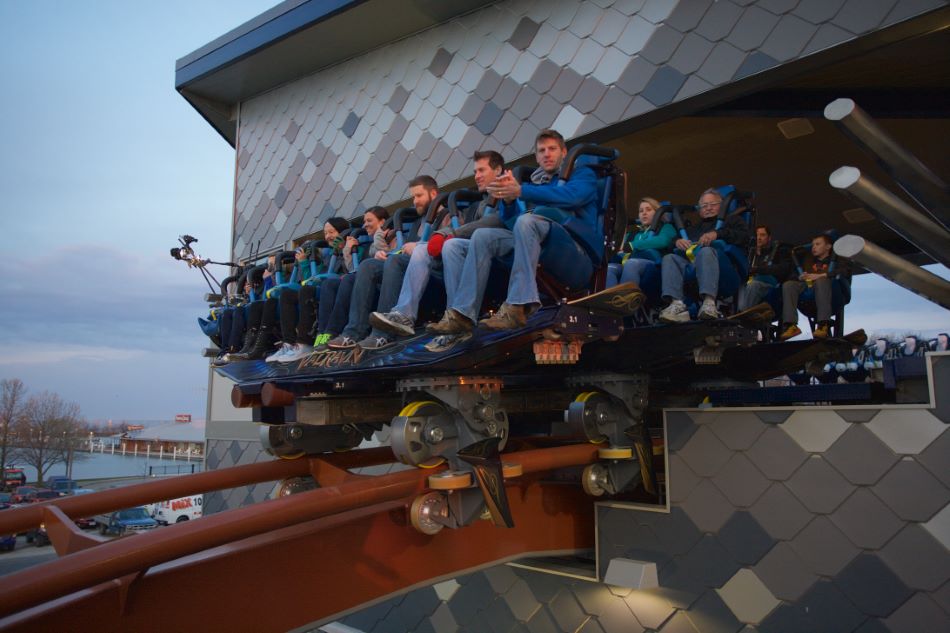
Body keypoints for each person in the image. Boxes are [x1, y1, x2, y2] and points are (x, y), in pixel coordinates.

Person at [426, 129, 600, 339]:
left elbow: (572, 197)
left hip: (577, 251)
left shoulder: (581, 173)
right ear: (536, 157)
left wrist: (520, 191)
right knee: (478, 237)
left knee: (527, 221)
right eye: (541, 150)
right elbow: (514, 223)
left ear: (564, 151)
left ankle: (517, 304)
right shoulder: (535, 183)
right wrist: (508, 201)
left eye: (552, 149)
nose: (546, 154)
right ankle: (462, 314)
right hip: (538, 238)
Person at [369, 151, 508, 345]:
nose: (477, 176)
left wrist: (449, 235)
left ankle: (455, 318)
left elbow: (497, 220)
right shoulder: (480, 202)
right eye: (475, 171)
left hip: (499, 247)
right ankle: (404, 314)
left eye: (481, 170)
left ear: (498, 169)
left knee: (450, 244)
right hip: (471, 247)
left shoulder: (509, 191)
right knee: (422, 249)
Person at [323, 176, 439, 350]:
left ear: (434, 193)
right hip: (411, 266)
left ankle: (382, 334)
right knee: (368, 265)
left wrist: (414, 247)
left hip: (434, 269)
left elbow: (452, 243)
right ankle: (354, 332)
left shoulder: (447, 214)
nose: (415, 201)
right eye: (413, 197)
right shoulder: (418, 222)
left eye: (419, 196)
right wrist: (383, 254)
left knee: (394, 261)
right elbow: (405, 250)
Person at [658, 188, 751, 323]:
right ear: (699, 209)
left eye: (713, 204)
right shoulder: (695, 229)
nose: (708, 208)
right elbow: (671, 243)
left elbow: (744, 237)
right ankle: (677, 304)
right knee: (669, 258)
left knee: (706, 251)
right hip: (695, 272)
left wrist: (718, 234)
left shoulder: (733, 221)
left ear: (723, 205)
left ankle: (709, 303)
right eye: (704, 205)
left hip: (725, 272)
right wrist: (677, 242)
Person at [312, 207, 392, 348]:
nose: (365, 224)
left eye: (369, 220)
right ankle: (323, 335)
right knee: (329, 284)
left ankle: (337, 331)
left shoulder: (389, 236)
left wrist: (379, 235)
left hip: (380, 290)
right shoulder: (366, 247)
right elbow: (354, 270)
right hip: (359, 289)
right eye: (364, 221)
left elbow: (388, 258)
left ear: (382, 222)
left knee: (348, 280)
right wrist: (347, 251)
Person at [779, 233, 848, 340]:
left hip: (831, 292)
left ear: (828, 246)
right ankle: (791, 325)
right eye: (813, 245)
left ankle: (823, 324)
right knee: (789, 285)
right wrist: (800, 277)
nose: (814, 247)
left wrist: (822, 275)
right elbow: (795, 275)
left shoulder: (837, 259)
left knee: (821, 281)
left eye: (817, 244)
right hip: (809, 289)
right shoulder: (808, 260)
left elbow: (845, 271)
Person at [606, 197, 675, 288]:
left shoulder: (667, 227)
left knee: (631, 264)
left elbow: (663, 241)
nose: (644, 213)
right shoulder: (632, 234)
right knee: (609, 269)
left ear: (658, 213)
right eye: (641, 211)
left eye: (648, 210)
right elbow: (619, 247)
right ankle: (608, 300)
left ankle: (626, 300)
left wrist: (632, 245)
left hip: (655, 266)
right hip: (627, 263)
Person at [737, 225, 793, 311]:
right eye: (757, 235)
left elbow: (783, 269)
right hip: (749, 282)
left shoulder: (776, 251)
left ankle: (743, 315)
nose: (759, 238)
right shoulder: (750, 253)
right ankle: (736, 314)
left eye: (762, 235)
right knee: (739, 284)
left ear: (769, 238)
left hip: (768, 284)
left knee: (754, 285)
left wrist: (758, 269)